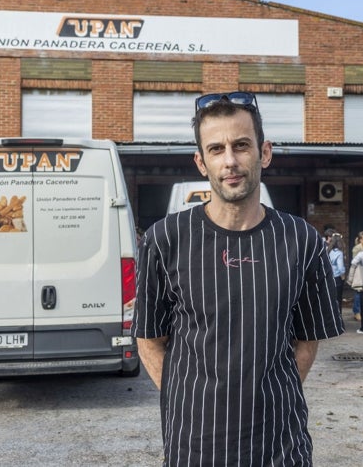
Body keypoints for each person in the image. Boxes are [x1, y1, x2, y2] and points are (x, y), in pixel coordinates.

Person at [132, 91, 344, 466]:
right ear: (201, 162)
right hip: (193, 448)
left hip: (280, 447)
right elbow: (150, 340)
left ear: (264, 152)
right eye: (216, 149)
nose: (230, 161)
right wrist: (192, 402)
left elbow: (307, 342)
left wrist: (268, 401)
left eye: (241, 145)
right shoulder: (165, 240)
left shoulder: (301, 240)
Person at [325, 229, 346, 309]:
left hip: (329, 277)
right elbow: (341, 268)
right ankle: (338, 318)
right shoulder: (339, 253)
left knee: (330, 299)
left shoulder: (328, 251)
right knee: (338, 300)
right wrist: (343, 277)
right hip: (337, 278)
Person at [350, 231, 363, 321]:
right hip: (360, 272)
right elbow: (355, 261)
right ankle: (357, 312)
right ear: (360, 240)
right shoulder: (357, 248)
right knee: (358, 292)